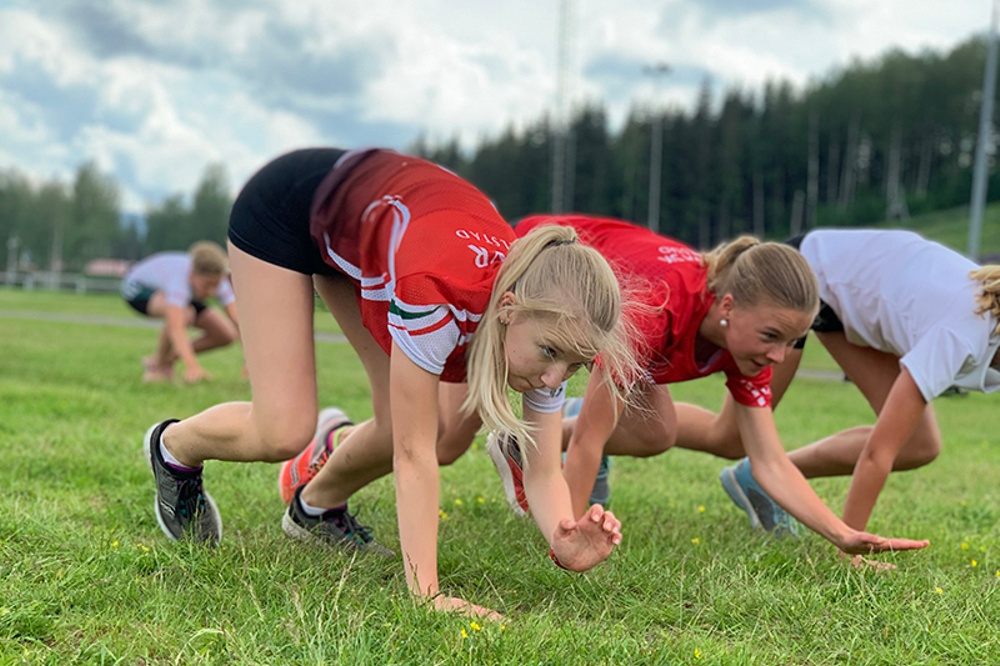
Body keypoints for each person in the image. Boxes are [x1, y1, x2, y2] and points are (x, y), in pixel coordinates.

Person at [142, 148, 633, 620]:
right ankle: (174, 447)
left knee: (422, 423)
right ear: (507, 308)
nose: (554, 378)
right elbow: (412, 455)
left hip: (373, 218)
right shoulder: (438, 297)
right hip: (290, 206)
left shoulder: (549, 329)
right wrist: (428, 593)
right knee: (284, 430)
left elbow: (544, 470)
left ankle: (314, 509)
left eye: (575, 365)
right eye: (550, 354)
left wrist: (562, 537)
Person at [490, 215, 930, 561]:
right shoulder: (656, 309)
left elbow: (770, 461)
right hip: (538, 265)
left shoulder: (747, 348)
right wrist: (571, 539)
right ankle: (530, 442)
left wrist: (843, 534)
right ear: (728, 307)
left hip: (629, 315)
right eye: (771, 336)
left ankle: (521, 443)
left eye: (790, 342)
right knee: (449, 441)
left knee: (657, 431)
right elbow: (590, 439)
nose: (779, 357)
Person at [715, 228, 999, 563]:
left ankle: (764, 475)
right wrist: (848, 553)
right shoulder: (959, 334)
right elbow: (877, 454)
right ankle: (639, 429)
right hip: (808, 277)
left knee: (918, 444)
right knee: (730, 436)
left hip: (855, 303)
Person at [121, 241, 240, 383]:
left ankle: (160, 360)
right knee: (185, 314)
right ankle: (159, 369)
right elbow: (176, 326)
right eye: (206, 285)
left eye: (215, 285)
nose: (211, 291)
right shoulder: (178, 279)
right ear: (192, 275)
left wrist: (252, 363)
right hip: (139, 291)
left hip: (186, 295)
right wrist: (193, 367)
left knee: (226, 334)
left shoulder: (217, 281)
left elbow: (238, 321)